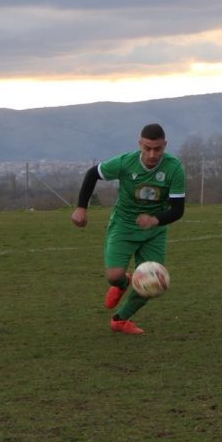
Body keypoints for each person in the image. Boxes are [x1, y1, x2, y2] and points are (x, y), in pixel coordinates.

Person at [71, 123, 186, 335]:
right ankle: (123, 283)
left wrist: (155, 221)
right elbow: (92, 174)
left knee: (153, 283)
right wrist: (81, 208)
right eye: (147, 148)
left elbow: (178, 210)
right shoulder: (125, 162)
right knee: (114, 276)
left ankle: (120, 319)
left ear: (165, 146)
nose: (152, 154)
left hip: (155, 231)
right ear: (140, 144)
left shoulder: (174, 168)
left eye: (158, 149)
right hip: (124, 224)